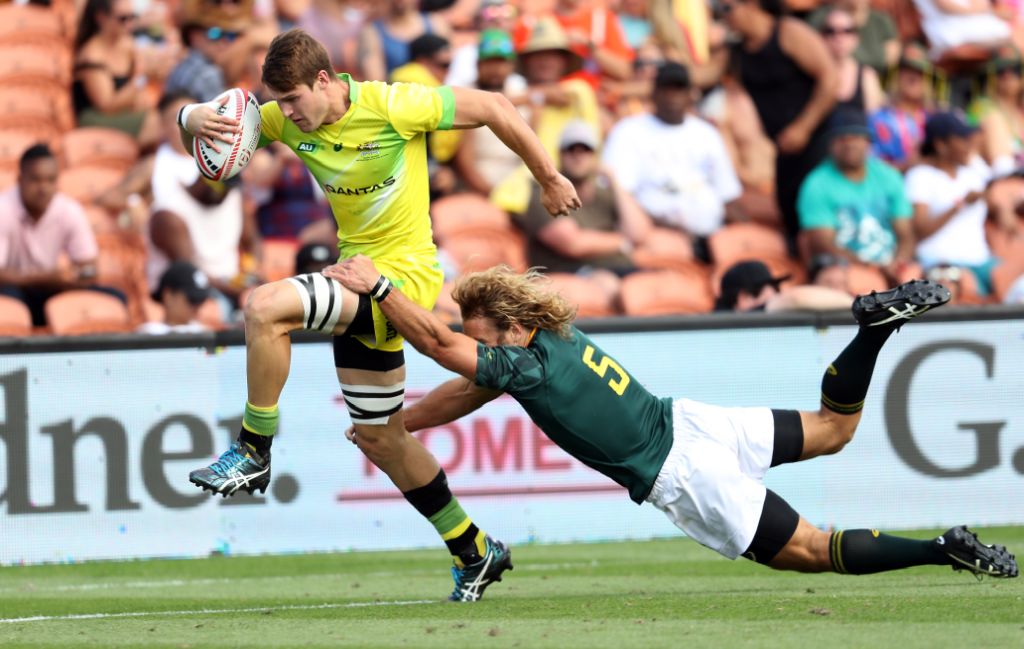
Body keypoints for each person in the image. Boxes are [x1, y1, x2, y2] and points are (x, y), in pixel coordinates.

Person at [176, 28, 580, 601]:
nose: (285, 114)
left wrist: (549, 176)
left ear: (324, 80)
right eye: (278, 103)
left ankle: (252, 448)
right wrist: (190, 117)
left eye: (292, 100)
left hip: (403, 280)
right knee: (381, 439)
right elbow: (209, 138)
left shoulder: (394, 105)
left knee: (264, 306)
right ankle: (474, 549)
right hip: (356, 279)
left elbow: (494, 106)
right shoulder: (288, 118)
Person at [326, 257, 1017, 581]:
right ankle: (872, 332)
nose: (479, 349)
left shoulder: (523, 366)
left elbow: (439, 345)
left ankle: (941, 549)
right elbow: (467, 389)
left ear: (509, 326)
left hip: (682, 472)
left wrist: (380, 288)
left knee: (812, 550)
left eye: (484, 338)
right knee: (834, 427)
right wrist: (398, 424)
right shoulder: (552, 335)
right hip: (692, 422)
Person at [720, 0, 839, 250]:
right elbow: (701, 74)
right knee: (790, 214)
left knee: (821, 215)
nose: (723, 15)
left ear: (751, 5)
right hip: (785, 147)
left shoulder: (788, 31)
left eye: (727, 8)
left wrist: (804, 127)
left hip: (818, 140)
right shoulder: (736, 50)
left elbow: (830, 78)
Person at [602, 61, 743, 243]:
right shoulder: (628, 131)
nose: (673, 96)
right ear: (654, 93)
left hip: (711, 235)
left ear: (690, 94)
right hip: (655, 235)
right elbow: (617, 196)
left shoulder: (706, 133)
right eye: (667, 89)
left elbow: (728, 195)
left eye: (679, 89)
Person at [798, 107, 916, 283]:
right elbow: (822, 244)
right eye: (841, 138)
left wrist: (899, 262)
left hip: (891, 263)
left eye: (856, 136)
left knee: (921, 283)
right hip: (848, 267)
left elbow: (905, 233)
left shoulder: (888, 175)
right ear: (830, 144)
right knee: (849, 281)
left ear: (868, 142)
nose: (849, 143)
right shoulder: (817, 183)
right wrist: (873, 268)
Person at [905, 112, 1014, 297]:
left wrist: (1002, 210)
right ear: (941, 144)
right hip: (941, 262)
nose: (969, 145)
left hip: (982, 261)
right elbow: (919, 230)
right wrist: (960, 205)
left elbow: (991, 203)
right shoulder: (920, 176)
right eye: (962, 139)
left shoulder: (973, 174)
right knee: (964, 287)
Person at [0, 145, 109, 328]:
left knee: (112, 298)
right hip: (14, 290)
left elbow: (90, 268)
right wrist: (45, 277)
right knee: (10, 299)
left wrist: (74, 277)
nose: (44, 188)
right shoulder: (3, 209)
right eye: (36, 180)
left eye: (50, 180)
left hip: (53, 290)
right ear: (20, 180)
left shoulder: (69, 210)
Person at [72, 0, 161, 147]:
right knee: (159, 122)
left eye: (132, 17)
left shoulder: (127, 43)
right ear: (101, 17)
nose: (129, 24)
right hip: (96, 119)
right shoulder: (91, 56)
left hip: (123, 111)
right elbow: (107, 105)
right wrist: (138, 80)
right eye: (123, 18)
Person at [869, 42, 933, 172]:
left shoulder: (934, 118)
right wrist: (906, 166)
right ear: (896, 76)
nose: (913, 77)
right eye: (906, 71)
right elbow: (872, 166)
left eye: (920, 73)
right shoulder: (879, 119)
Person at [713, 260, 852, 312]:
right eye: (772, 287)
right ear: (743, 298)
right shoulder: (749, 317)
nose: (776, 293)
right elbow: (797, 299)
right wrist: (856, 305)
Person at [819, 8, 886, 114]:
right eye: (831, 31)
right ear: (822, 37)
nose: (839, 37)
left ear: (856, 38)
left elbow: (874, 117)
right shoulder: (812, 75)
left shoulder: (867, 76)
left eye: (847, 31)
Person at [138, 260, 212, 334]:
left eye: (201, 300)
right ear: (169, 296)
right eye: (192, 299)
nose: (197, 306)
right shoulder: (149, 333)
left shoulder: (204, 333)